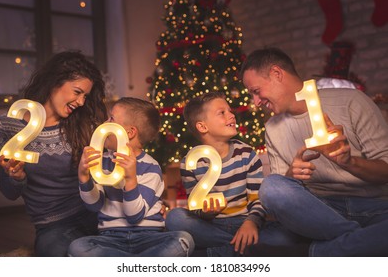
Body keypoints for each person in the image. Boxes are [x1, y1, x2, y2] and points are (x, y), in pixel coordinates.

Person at [241, 47, 388, 256]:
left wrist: (348, 162)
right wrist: (292, 174)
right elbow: (280, 194)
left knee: (271, 247)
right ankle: (357, 242)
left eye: (256, 91)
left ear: (276, 73)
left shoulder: (351, 101)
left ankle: (318, 253)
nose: (255, 102)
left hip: (375, 208)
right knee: (270, 189)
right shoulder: (273, 127)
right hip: (318, 214)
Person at [0, 51, 108, 256]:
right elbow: (10, 193)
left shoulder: (85, 125)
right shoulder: (9, 127)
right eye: (77, 92)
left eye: (85, 96)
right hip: (53, 227)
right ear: (55, 82)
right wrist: (16, 177)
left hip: (98, 215)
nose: (82, 102)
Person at [165, 91, 301, 256]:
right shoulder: (190, 162)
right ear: (202, 126)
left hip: (246, 222)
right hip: (212, 226)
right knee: (175, 218)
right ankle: (243, 248)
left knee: (286, 237)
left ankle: (219, 252)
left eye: (229, 111)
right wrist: (207, 213)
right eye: (222, 113)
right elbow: (195, 207)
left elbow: (258, 199)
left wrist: (252, 222)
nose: (231, 115)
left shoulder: (246, 154)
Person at [68, 97, 194, 257]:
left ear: (129, 132)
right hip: (111, 238)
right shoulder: (103, 161)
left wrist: (130, 179)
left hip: (149, 237)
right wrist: (83, 176)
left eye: (111, 118)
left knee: (183, 240)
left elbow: (134, 216)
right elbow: (94, 205)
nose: (105, 123)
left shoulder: (151, 167)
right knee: (77, 247)